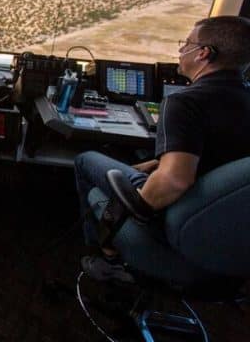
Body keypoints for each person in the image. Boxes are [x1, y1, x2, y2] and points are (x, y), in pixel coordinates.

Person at [74, 15, 250, 280]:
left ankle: (106, 253)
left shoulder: (186, 103)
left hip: (177, 219)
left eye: (187, 43)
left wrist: (129, 212)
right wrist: (157, 162)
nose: (181, 50)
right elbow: (223, 158)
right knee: (140, 161)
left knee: (87, 160)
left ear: (204, 53)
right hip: (229, 235)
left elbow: (175, 180)